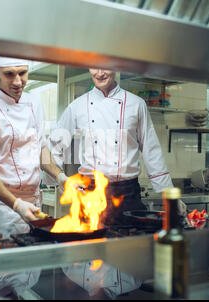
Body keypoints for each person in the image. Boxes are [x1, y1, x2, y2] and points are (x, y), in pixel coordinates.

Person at [49, 68, 186, 224]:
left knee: (131, 246)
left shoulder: (136, 104)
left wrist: (169, 196)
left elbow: (151, 150)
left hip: (127, 195)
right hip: (90, 195)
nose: (99, 74)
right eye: (94, 67)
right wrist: (60, 176)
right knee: (91, 246)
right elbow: (53, 147)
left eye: (105, 67)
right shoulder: (77, 106)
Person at [0, 56, 67, 238]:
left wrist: (60, 176)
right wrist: (16, 204)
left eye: (22, 73)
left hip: (35, 206)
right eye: (9, 74)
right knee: (4, 265)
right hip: (1, 210)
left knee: (32, 263)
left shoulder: (34, 103)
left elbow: (41, 148)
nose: (18, 82)